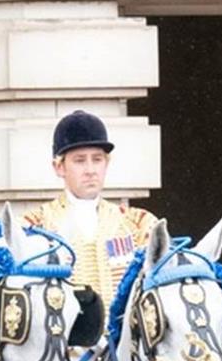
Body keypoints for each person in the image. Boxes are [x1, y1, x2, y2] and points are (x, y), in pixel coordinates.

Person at [28, 110, 161, 301]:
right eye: (80, 161)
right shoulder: (35, 226)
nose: (90, 170)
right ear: (59, 167)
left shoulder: (140, 224)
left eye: (97, 159)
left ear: (106, 163)